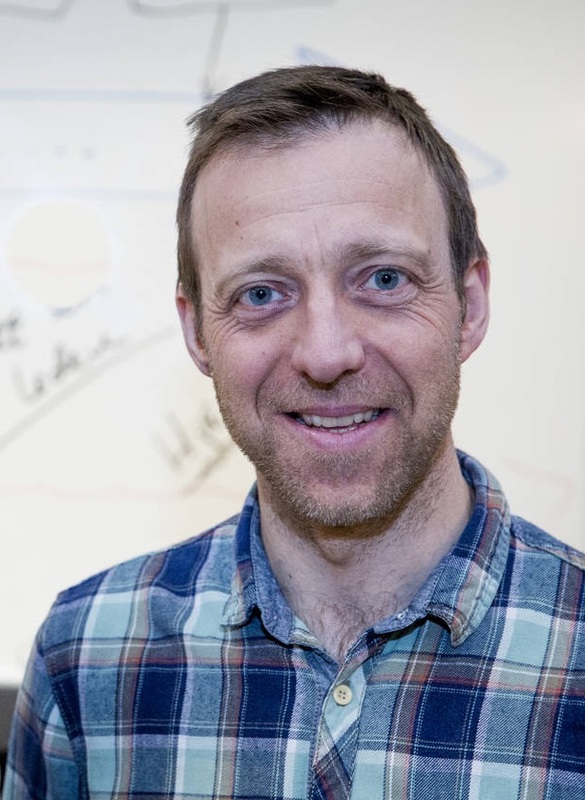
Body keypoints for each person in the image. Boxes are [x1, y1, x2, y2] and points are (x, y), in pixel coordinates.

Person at [3, 66, 584, 799]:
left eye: (383, 279)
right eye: (261, 293)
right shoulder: (87, 662)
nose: (325, 353)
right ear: (198, 333)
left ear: (468, 306)